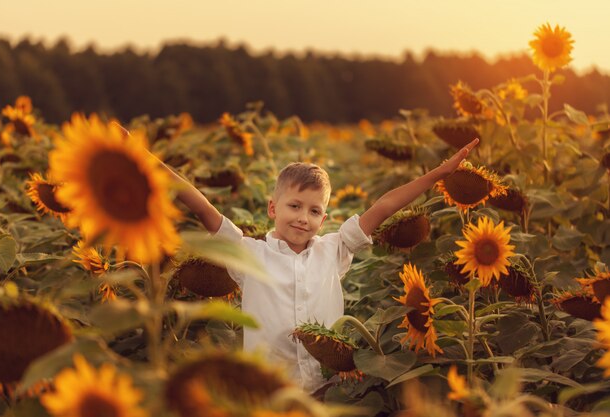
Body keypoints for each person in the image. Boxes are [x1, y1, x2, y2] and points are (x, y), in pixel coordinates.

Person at [165, 138, 479, 393]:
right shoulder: (250, 256)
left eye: (315, 211)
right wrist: (146, 161)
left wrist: (439, 173)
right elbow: (203, 208)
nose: (303, 218)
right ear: (273, 208)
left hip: (328, 391)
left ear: (324, 219)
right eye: (294, 206)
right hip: (267, 394)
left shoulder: (334, 250)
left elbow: (383, 207)